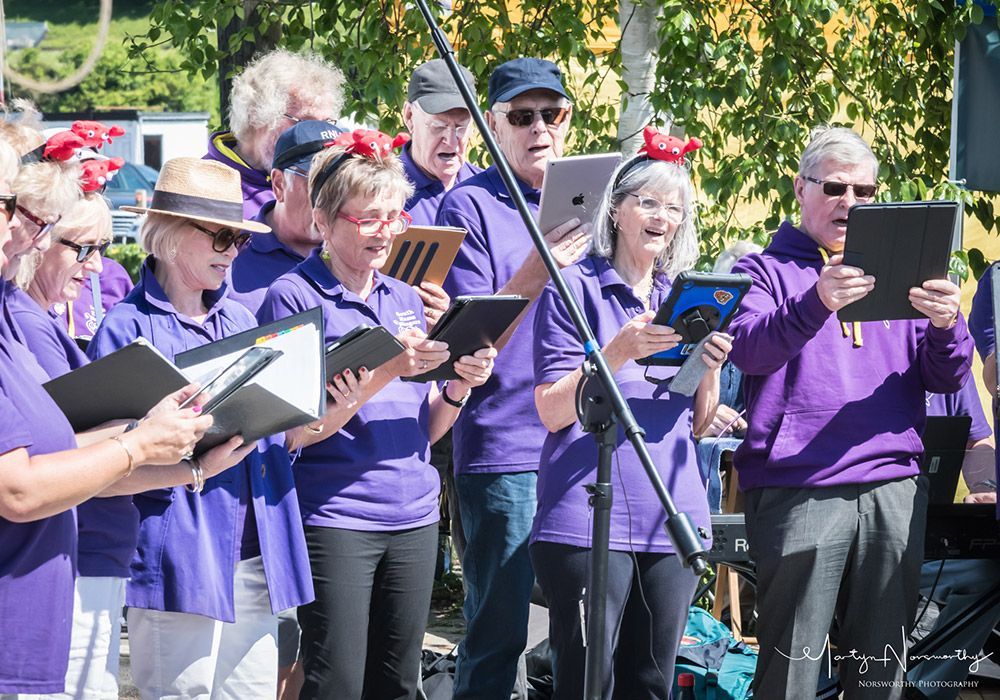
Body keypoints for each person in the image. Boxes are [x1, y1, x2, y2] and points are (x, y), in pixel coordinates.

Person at [727, 126, 973, 699]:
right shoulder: (762, 270)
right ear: (800, 189)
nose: (850, 202)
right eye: (835, 187)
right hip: (799, 485)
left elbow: (946, 377)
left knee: (880, 669)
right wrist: (818, 299)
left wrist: (946, 324)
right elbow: (748, 348)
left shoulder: (903, 267)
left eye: (864, 191)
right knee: (792, 665)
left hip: (891, 484)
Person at [257, 129, 497, 700]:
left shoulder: (406, 297)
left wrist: (460, 387)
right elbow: (297, 432)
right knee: (336, 679)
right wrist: (390, 366)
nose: (385, 232)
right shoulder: (292, 297)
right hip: (335, 516)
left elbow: (426, 427)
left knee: (397, 682)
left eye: (393, 217)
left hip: (413, 515)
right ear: (323, 219)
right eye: (367, 219)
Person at [89, 157, 314, 698]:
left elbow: (277, 431)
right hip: (181, 550)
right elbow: (103, 456)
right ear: (169, 236)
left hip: (256, 543)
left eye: (238, 238)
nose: (234, 251)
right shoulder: (128, 327)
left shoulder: (239, 319)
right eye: (220, 237)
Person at [0, 139, 213, 696]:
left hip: (65, 563)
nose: (96, 266)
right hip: (49, 570)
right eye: (81, 246)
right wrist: (143, 444)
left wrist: (188, 462)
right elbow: (29, 481)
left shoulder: (16, 320)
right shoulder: (21, 321)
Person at [531, 135, 728, 698]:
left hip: (674, 514)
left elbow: (698, 424)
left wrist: (710, 365)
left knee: (651, 682)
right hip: (587, 515)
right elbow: (549, 411)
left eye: (673, 207)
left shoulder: (687, 297)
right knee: (586, 681)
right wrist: (615, 351)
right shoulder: (575, 288)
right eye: (647, 201)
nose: (660, 217)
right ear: (615, 209)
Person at [435, 57, 592, 700]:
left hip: (586, 446)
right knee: (497, 634)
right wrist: (539, 266)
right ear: (494, 126)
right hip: (505, 449)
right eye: (522, 117)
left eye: (551, 115)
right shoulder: (468, 204)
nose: (539, 129)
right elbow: (469, 340)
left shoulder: (599, 203)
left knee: (584, 633)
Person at [905, 378, 1000, 700]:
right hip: (856, 527)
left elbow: (978, 440)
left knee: (989, 576)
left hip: (932, 528)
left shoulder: (947, 354)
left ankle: (926, 690)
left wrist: (986, 487)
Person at [205, 49, 345, 218]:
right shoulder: (203, 184)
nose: (317, 137)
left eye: (326, 124)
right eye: (306, 122)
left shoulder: (321, 178)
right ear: (258, 116)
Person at [228, 119, 342, 315]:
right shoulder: (230, 254)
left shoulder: (363, 252)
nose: (331, 196)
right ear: (279, 184)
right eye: (318, 181)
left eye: (342, 183)